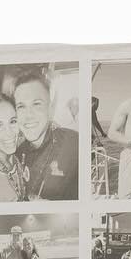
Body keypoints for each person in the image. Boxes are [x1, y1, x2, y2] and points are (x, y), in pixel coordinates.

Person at [12, 68, 79, 200]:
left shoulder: (74, 145)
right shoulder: (17, 155)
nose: (28, 115)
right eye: (21, 106)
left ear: (50, 109)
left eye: (36, 104)